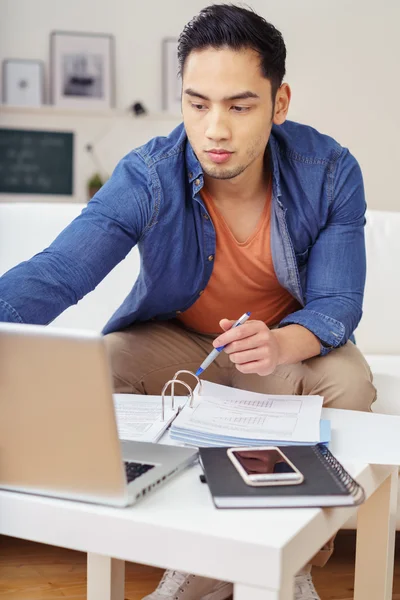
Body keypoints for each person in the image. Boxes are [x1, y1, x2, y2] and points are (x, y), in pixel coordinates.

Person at [0, 4, 375, 599]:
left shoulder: (329, 170)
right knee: (104, 364)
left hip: (283, 348)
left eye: (239, 105)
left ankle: (294, 561)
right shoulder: (148, 175)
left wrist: (279, 342)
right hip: (181, 344)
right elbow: (60, 272)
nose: (214, 130)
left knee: (350, 383)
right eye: (197, 104)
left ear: (279, 104)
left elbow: (335, 304)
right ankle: (192, 560)